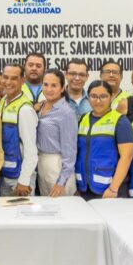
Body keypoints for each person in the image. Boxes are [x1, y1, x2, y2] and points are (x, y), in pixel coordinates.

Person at [74, 80, 133, 200]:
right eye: (93, 96)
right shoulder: (83, 119)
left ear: (111, 97)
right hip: (84, 188)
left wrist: (113, 188)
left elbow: (127, 156)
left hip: (110, 190)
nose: (98, 101)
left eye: (103, 96)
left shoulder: (121, 121)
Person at [0, 64, 38, 196]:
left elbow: (31, 150)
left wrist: (24, 180)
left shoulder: (25, 109)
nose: (8, 82)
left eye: (14, 78)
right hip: (6, 173)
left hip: (20, 178)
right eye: (5, 77)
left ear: (22, 80)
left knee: (22, 215)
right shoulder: (4, 101)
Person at [35, 69, 77, 197]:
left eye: (54, 85)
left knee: (63, 211)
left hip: (58, 167)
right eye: (46, 84)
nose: (49, 89)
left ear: (62, 88)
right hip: (41, 164)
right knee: (47, 211)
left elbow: (70, 151)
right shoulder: (40, 107)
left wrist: (62, 181)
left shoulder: (66, 112)